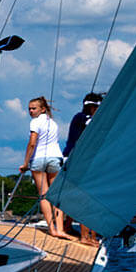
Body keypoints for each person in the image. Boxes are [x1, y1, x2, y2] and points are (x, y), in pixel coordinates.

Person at [19, 95, 74, 240]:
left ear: (42, 109)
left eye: (33, 108)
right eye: (29, 109)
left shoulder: (35, 122)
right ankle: (60, 229)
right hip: (55, 157)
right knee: (56, 194)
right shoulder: (53, 123)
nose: (31, 111)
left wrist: (25, 164)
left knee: (44, 195)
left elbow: (32, 143)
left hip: (38, 159)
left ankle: (52, 229)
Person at [64, 92, 102, 245]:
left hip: (83, 160)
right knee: (86, 197)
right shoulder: (82, 118)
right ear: (92, 107)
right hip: (77, 160)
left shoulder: (84, 118)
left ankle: (71, 228)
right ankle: (86, 236)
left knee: (83, 196)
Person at [64, 91, 101, 158]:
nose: (98, 110)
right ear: (89, 107)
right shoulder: (80, 117)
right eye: (95, 107)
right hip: (72, 156)